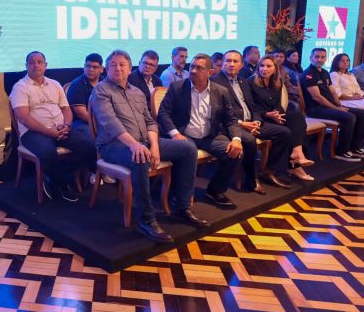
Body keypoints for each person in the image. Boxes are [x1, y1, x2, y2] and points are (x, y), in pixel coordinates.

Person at [91, 50, 203, 243]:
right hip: (112, 145)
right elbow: (110, 123)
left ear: (130, 68)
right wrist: (135, 145)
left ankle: (182, 207)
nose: (118, 68)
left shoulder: (137, 92)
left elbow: (150, 122)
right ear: (106, 69)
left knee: (188, 149)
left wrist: (155, 146)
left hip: (143, 141)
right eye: (113, 65)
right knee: (140, 157)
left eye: (122, 65)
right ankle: (146, 220)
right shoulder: (101, 90)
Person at [157, 53, 244, 207]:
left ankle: (215, 190)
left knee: (235, 153)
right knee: (187, 151)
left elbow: (230, 119)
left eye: (199, 68)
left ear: (210, 72)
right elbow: (163, 113)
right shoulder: (177, 88)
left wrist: (236, 139)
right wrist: (175, 133)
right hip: (184, 135)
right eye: (192, 67)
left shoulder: (221, 91)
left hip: (209, 136)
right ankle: (179, 194)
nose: (193, 71)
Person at [10, 51, 95, 202]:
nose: (36, 65)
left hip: (61, 128)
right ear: (26, 66)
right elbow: (24, 118)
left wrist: (67, 125)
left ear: (46, 65)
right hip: (33, 132)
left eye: (39, 62)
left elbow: (66, 109)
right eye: (32, 62)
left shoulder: (55, 84)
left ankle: (56, 177)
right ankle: (62, 184)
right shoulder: (20, 87)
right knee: (48, 152)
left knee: (89, 146)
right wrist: (48, 132)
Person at [211, 51, 292, 191]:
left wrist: (257, 122)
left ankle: (268, 171)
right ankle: (252, 178)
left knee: (284, 133)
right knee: (249, 140)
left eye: (235, 61)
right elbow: (218, 112)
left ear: (241, 65)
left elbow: (253, 106)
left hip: (251, 122)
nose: (231, 64)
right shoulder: (214, 81)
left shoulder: (243, 81)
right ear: (222, 63)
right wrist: (242, 123)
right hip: (232, 125)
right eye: (228, 61)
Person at [248, 56, 315, 181]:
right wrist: (268, 115)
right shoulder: (251, 82)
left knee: (297, 118)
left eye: (269, 66)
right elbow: (251, 107)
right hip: (260, 117)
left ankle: (297, 153)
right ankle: (295, 163)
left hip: (274, 116)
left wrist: (277, 114)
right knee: (290, 130)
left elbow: (278, 104)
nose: (264, 69)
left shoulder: (277, 82)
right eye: (262, 65)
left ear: (275, 68)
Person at [300, 48, 364, 161]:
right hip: (316, 109)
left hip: (330, 107)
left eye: (323, 57)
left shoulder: (324, 72)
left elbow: (333, 92)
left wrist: (339, 105)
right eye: (317, 57)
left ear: (326, 58)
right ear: (311, 58)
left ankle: (355, 147)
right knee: (349, 117)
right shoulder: (308, 74)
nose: (320, 59)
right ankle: (342, 151)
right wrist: (336, 108)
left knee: (363, 114)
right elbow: (317, 97)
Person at [66, 53, 105, 138]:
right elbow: (81, 114)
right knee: (96, 138)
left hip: (103, 120)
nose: (90, 69)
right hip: (81, 123)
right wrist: (103, 125)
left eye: (95, 67)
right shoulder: (76, 85)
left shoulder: (106, 82)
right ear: (84, 66)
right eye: (88, 66)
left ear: (101, 69)